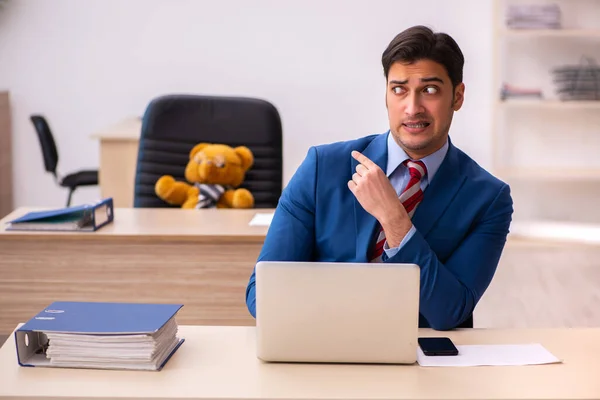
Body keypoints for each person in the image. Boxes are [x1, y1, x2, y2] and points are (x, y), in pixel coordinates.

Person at [245, 25, 514, 330]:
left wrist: (394, 219)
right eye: (399, 89)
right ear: (386, 93)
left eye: (430, 90)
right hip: (323, 347)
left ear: (458, 96)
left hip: (421, 357)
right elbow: (262, 296)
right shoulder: (322, 167)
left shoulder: (489, 199)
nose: (412, 108)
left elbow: (449, 312)